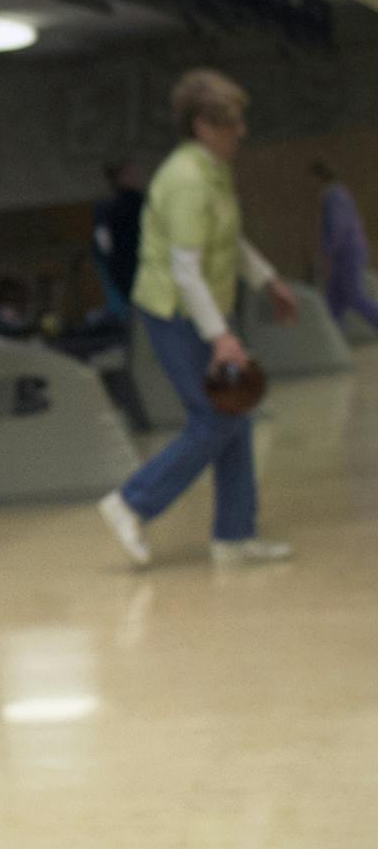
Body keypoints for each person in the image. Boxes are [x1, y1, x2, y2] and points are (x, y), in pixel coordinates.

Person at [99, 69, 298, 568]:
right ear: (204, 125)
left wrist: (268, 280)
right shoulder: (186, 179)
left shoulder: (212, 170)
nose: (242, 131)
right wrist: (223, 338)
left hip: (204, 306)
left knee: (235, 415)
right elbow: (185, 270)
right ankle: (130, 503)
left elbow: (227, 242)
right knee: (215, 417)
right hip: (175, 311)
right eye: (232, 122)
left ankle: (234, 536)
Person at [314, 162, 378, 335]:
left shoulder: (334, 195)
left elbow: (337, 227)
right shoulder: (341, 194)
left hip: (346, 254)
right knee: (334, 300)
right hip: (347, 252)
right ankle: (331, 336)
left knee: (353, 295)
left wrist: (327, 253)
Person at [93, 158, 147, 317]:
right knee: (124, 305)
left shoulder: (139, 200)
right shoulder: (109, 205)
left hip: (135, 259)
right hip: (121, 261)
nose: (137, 176)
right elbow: (103, 239)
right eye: (131, 173)